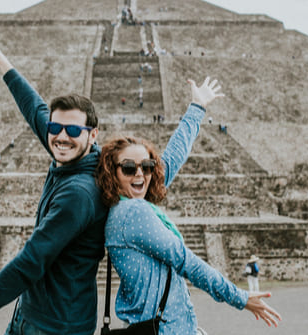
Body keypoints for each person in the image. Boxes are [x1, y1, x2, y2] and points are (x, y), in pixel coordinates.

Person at [0, 21, 108, 335]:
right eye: (55, 129)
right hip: (35, 313)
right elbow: (35, 109)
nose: (60, 137)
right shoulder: (70, 153)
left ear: (92, 134)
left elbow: (32, 259)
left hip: (56, 327)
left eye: (72, 130)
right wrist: (1, 60)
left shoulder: (79, 194)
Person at [96, 76, 281, 334]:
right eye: (128, 167)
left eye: (146, 166)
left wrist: (197, 107)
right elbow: (185, 260)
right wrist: (240, 298)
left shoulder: (128, 203)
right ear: (112, 173)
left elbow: (169, 162)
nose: (140, 174)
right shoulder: (133, 212)